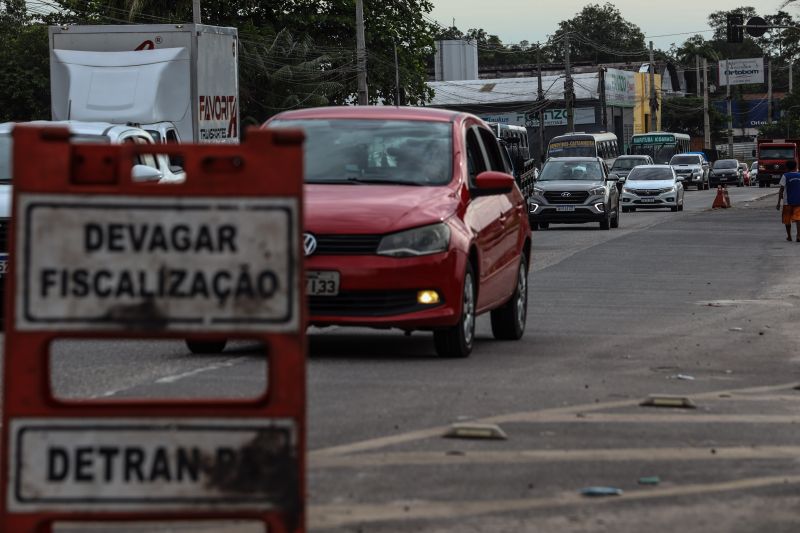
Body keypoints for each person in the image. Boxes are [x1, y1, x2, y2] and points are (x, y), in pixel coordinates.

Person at [776, 160, 800, 241]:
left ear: (787, 167)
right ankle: (798, 236)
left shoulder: (785, 176)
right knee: (798, 219)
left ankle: (789, 236)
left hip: (787, 202)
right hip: (798, 201)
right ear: (796, 167)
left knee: (787, 219)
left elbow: (781, 190)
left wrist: (779, 203)